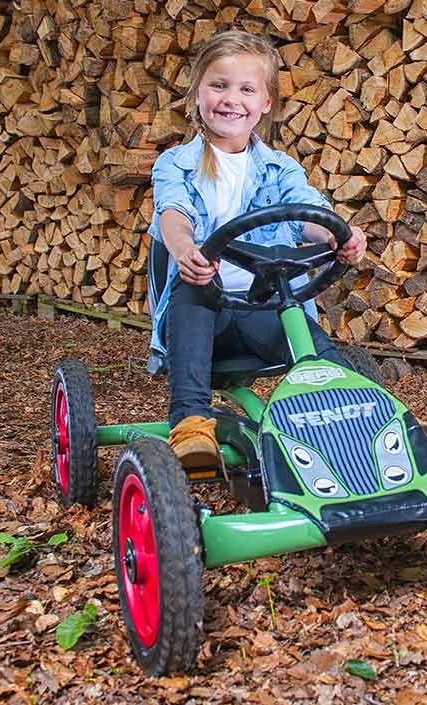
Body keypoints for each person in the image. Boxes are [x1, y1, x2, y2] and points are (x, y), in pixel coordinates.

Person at [147, 30, 367, 470]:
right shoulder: (176, 163)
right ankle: (192, 422)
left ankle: (357, 422)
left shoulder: (279, 167)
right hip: (204, 328)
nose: (231, 99)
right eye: (219, 85)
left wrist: (335, 236)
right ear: (198, 93)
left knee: (306, 331)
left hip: (263, 314)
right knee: (193, 292)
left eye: (247, 89)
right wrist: (186, 247)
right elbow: (173, 213)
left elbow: (305, 211)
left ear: (265, 103)